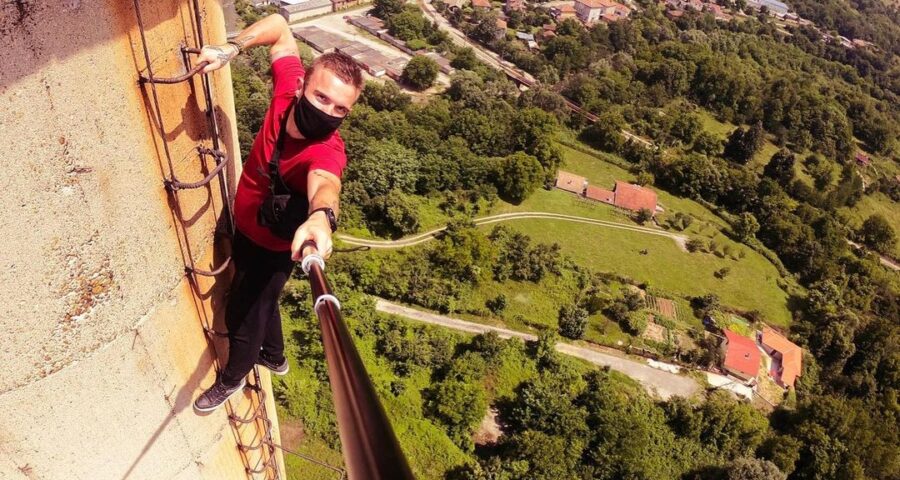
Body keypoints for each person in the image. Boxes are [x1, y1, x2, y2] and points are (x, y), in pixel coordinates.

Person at [192, 14, 363, 412]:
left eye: (340, 109)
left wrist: (323, 217)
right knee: (265, 301)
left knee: (243, 314)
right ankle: (276, 356)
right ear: (304, 84)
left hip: (276, 248)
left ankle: (232, 379)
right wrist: (230, 49)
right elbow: (280, 28)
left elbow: (326, 184)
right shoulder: (287, 91)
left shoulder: (326, 150)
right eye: (322, 98)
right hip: (249, 231)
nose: (328, 112)